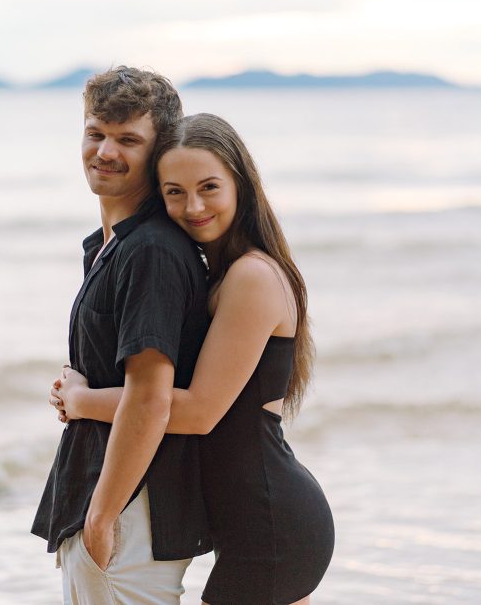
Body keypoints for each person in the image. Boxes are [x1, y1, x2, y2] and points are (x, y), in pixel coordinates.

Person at [52, 113, 335, 604]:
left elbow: (197, 413)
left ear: (241, 186)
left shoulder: (251, 276)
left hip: (270, 526)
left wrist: (81, 400)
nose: (193, 207)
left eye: (209, 187)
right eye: (174, 192)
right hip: (254, 523)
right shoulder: (222, 271)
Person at [31, 67, 212, 605]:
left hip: (131, 508)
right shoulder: (112, 244)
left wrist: (102, 518)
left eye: (128, 139)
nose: (105, 151)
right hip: (109, 497)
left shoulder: (151, 251)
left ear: (159, 152)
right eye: (95, 133)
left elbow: (152, 397)